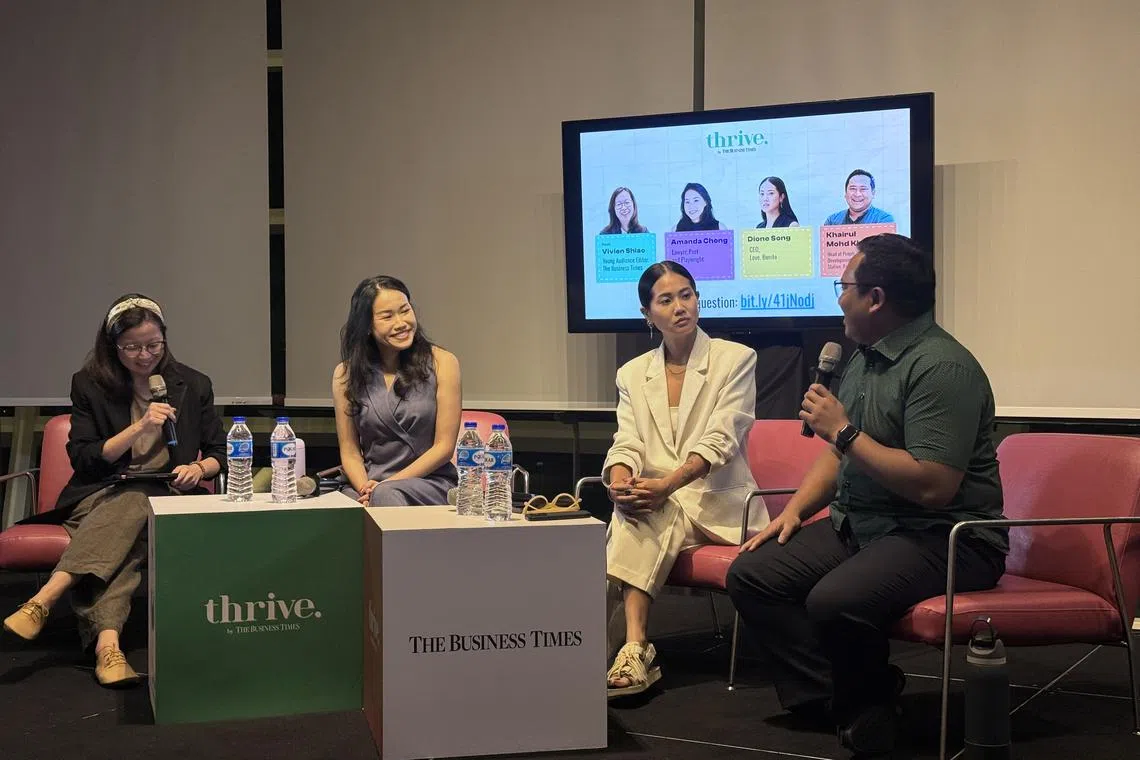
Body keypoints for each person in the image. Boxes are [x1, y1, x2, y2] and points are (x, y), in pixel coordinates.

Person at [726, 233, 1006, 757]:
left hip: (946, 537)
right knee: (753, 575)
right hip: (867, 523)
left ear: (875, 298)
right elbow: (837, 456)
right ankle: (848, 699)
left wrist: (845, 432)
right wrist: (794, 513)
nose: (838, 298)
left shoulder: (942, 368)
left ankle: (865, 706)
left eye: (844, 286)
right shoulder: (865, 358)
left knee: (836, 601)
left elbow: (934, 485)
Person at [2, 294, 225, 687]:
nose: (144, 356)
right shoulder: (89, 385)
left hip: (168, 494)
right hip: (99, 494)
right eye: (132, 347)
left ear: (164, 339)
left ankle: (50, 602)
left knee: (140, 508)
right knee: (137, 502)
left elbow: (218, 451)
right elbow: (86, 457)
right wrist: (139, 428)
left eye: (153, 345)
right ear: (112, 345)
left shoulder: (193, 383)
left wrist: (197, 467)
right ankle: (108, 650)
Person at [604, 261, 766, 698]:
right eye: (666, 299)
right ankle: (630, 648)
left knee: (646, 513)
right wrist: (621, 481)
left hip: (719, 505)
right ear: (647, 314)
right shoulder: (632, 373)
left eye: (687, 294)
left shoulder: (735, 359)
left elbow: (723, 437)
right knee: (638, 509)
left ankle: (622, 648)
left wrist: (667, 484)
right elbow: (628, 440)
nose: (680, 306)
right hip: (662, 502)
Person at [332, 275, 460, 506]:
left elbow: (444, 448)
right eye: (387, 317)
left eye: (405, 310)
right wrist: (365, 489)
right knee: (335, 505)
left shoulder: (444, 362)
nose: (401, 323)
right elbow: (350, 450)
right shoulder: (346, 374)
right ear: (368, 326)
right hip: (369, 482)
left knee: (387, 495)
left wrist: (384, 486)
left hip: (429, 482)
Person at [822, 169, 895, 225]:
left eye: (863, 189)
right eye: (852, 188)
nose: (857, 194)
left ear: (873, 193)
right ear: (845, 193)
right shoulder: (832, 221)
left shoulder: (883, 220)